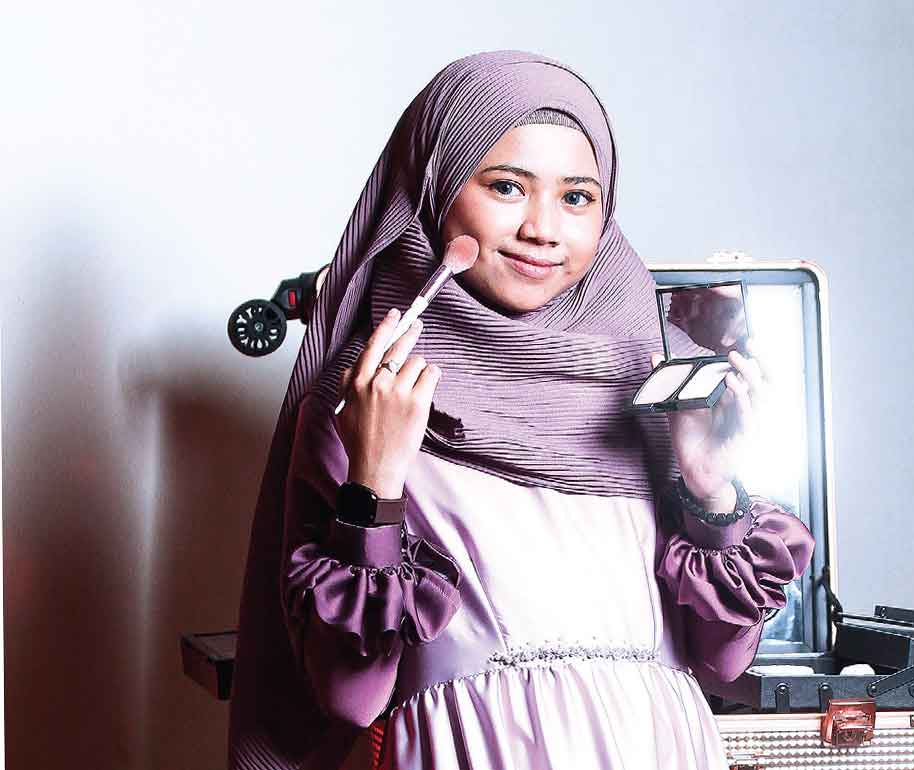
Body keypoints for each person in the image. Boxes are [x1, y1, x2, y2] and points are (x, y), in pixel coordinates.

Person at [228, 50, 815, 770]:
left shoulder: (651, 380)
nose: (544, 228)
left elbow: (724, 662)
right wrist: (374, 482)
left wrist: (709, 488)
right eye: (506, 187)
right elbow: (352, 695)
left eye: (578, 198)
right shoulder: (371, 398)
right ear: (435, 188)